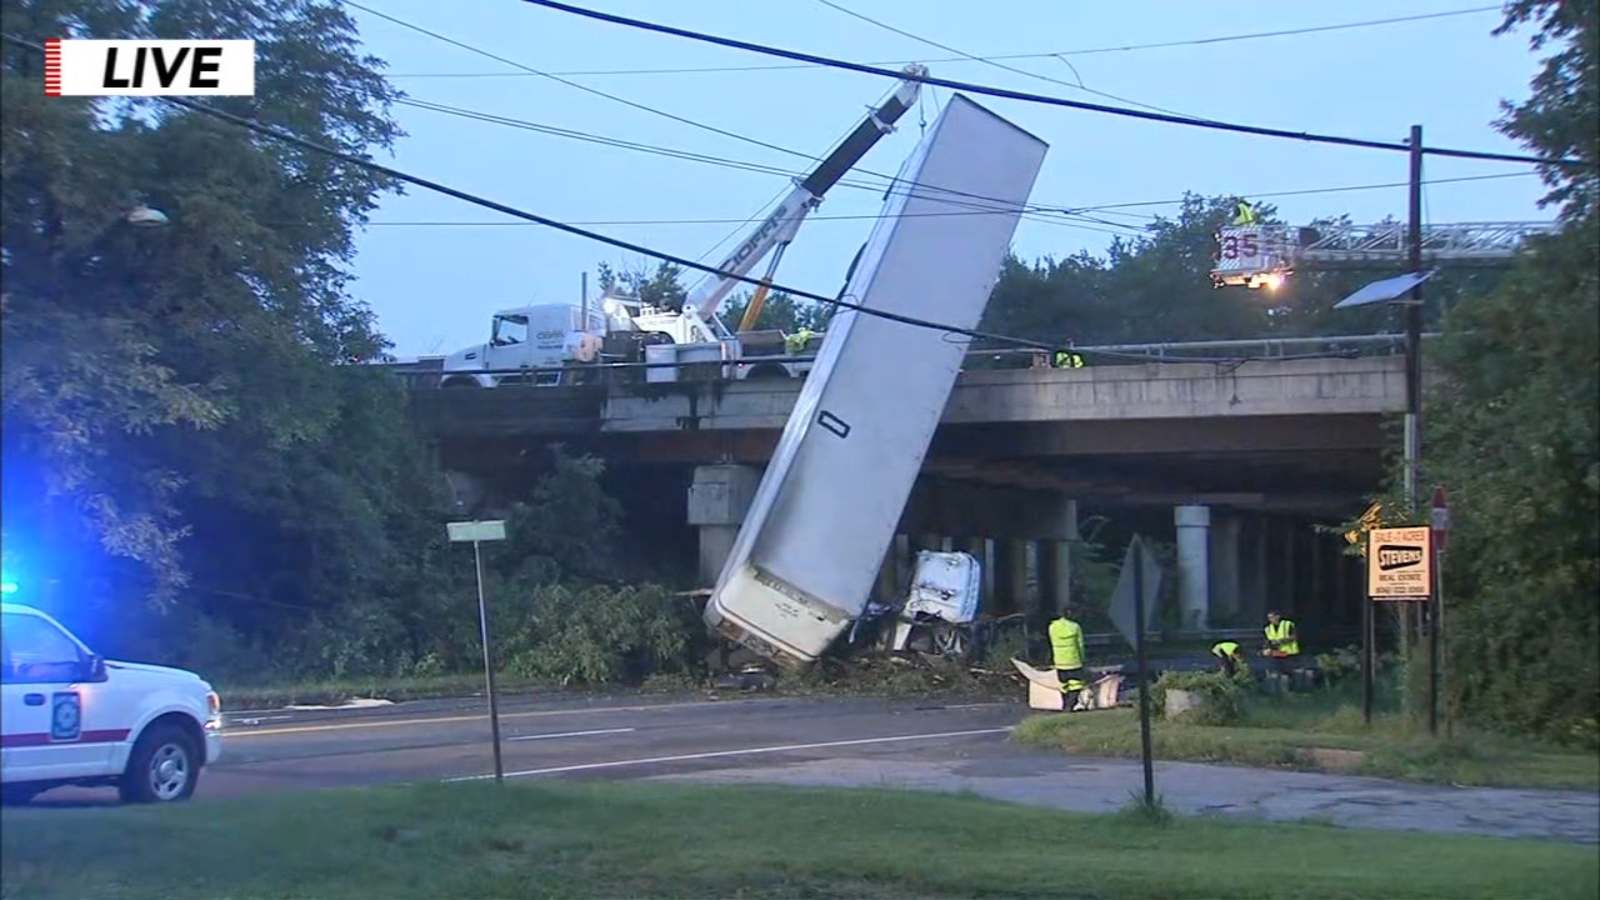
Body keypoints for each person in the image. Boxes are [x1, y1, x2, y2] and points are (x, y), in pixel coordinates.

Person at [1049, 606, 1088, 710]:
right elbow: (1080, 645)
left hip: (1059, 662)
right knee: (1076, 685)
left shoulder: (1053, 627)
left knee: (1064, 685)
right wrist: (1083, 659)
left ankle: (1065, 706)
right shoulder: (1075, 627)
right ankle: (1069, 707)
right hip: (1074, 661)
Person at [1262, 610, 1300, 688]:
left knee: (1291, 672)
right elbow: (1267, 642)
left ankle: (1294, 688)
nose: (1271, 619)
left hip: (1289, 653)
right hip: (1277, 653)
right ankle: (1282, 689)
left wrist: (1281, 641)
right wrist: (1266, 649)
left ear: (1278, 616)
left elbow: (1294, 637)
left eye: (1272, 617)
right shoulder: (1267, 629)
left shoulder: (1287, 624)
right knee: (1278, 673)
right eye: (1269, 618)